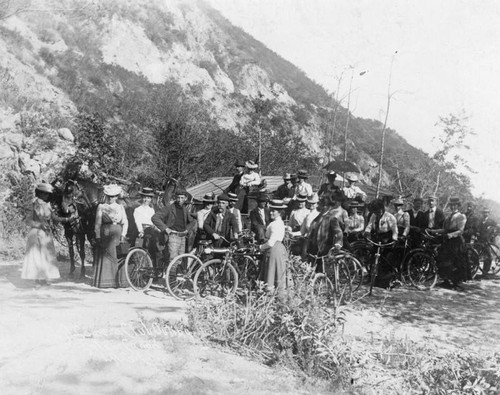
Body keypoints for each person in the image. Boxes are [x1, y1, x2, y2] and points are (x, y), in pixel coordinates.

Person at [22, 183, 76, 285]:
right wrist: (40, 225)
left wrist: (67, 219)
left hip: (45, 234)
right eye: (45, 194)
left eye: (47, 194)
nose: (47, 196)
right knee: (37, 255)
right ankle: (37, 278)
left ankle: (44, 277)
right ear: (40, 194)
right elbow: (28, 221)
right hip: (36, 233)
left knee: (46, 255)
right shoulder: (33, 204)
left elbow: (54, 218)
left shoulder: (47, 205)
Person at [93, 184, 129, 288]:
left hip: (117, 233)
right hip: (106, 233)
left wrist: (123, 235)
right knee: (106, 256)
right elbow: (97, 223)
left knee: (118, 255)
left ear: (117, 197)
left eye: (113, 196)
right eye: (109, 196)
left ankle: (119, 281)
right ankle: (106, 281)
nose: (111, 199)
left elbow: (125, 222)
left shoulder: (120, 207)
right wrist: (98, 236)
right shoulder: (101, 207)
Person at [429, 197, 467, 288]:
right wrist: (433, 231)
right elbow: (445, 229)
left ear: (458, 206)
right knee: (442, 259)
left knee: (455, 262)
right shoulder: (449, 217)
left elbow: (460, 231)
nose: (453, 207)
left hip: (456, 242)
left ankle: (456, 282)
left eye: (455, 205)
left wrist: (450, 235)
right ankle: (446, 280)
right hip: (447, 241)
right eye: (452, 205)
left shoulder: (461, 216)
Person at [152, 188, 194, 263]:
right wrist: (166, 228)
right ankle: (170, 274)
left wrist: (187, 230)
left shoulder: (185, 210)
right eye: (178, 197)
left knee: (180, 260)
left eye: (182, 198)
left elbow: (192, 221)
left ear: (185, 198)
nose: (180, 200)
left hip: (182, 237)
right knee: (173, 260)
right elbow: (155, 218)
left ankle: (172, 274)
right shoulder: (169, 208)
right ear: (175, 198)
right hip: (173, 236)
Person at [306, 191, 344, 271]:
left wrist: (338, 243)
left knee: (322, 271)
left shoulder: (331, 217)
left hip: (324, 249)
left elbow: (338, 231)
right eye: (321, 204)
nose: (320, 206)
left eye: (323, 204)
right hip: (314, 248)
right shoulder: (318, 216)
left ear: (329, 206)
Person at [259, 199, 289, 298]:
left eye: (274, 211)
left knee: (273, 272)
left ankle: (274, 297)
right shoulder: (277, 223)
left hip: (274, 250)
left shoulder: (276, 224)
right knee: (277, 272)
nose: (271, 212)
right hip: (277, 249)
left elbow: (271, 242)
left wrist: (261, 247)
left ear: (279, 212)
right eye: (270, 210)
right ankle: (275, 297)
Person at [133, 187, 160, 268]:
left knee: (158, 242)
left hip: (152, 229)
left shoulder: (151, 210)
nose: (146, 200)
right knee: (148, 242)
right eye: (144, 197)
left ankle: (156, 268)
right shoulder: (138, 210)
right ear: (142, 198)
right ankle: (145, 266)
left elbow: (153, 222)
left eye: (148, 198)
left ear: (151, 199)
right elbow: (137, 221)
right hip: (143, 230)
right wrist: (140, 231)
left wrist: (158, 229)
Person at [478, 208, 497, 276]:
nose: (485, 214)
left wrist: (493, 235)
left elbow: (497, 228)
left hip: (488, 240)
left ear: (488, 213)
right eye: (484, 212)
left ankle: (485, 272)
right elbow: (478, 229)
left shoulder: (491, 221)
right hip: (481, 239)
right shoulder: (480, 221)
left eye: (487, 212)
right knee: (478, 254)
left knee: (488, 256)